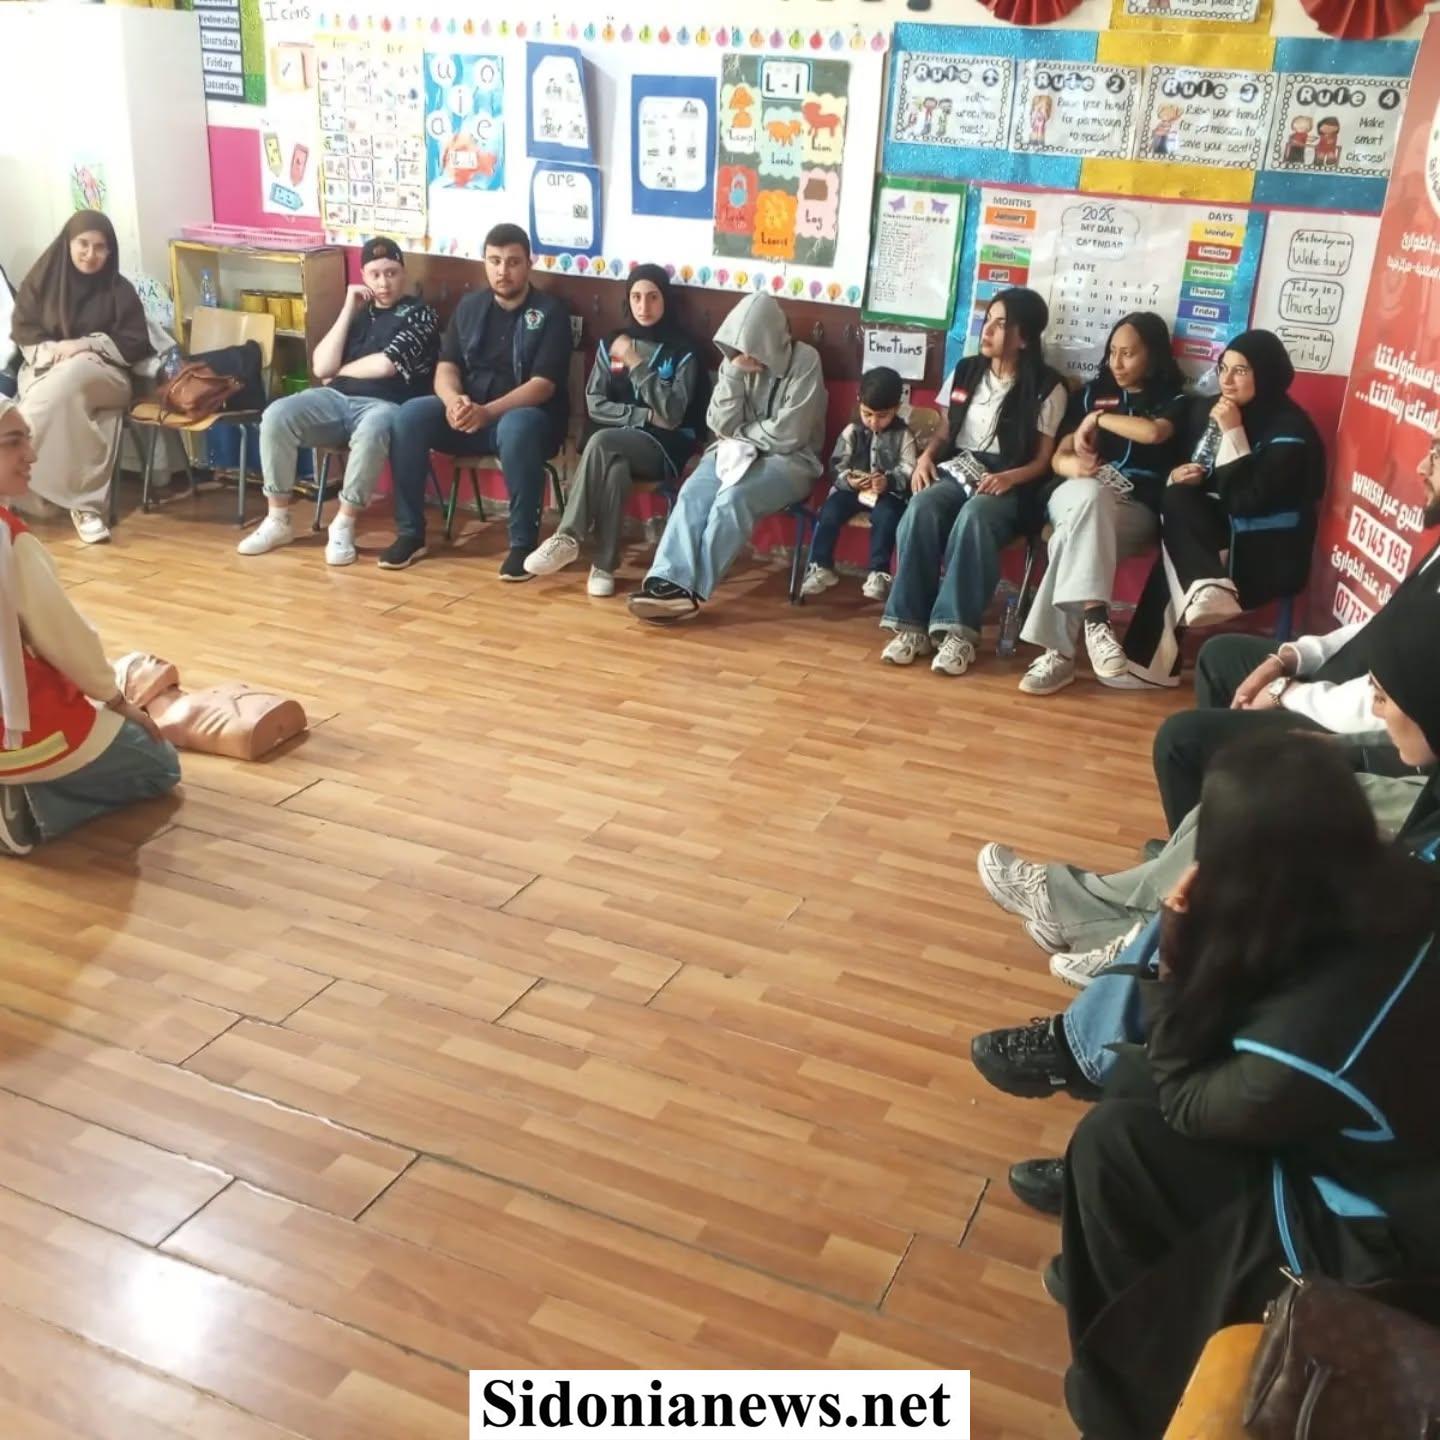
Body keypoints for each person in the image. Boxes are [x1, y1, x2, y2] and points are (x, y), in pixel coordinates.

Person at [971, 592, 1440, 1230]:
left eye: (1385, 696)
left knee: (1243, 843)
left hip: (1365, 1180)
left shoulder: (1329, 1011)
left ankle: (1104, 1039)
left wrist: (1180, 952)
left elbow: (1193, 1097)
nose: (1377, 706)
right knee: (1235, 798)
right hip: (1345, 1035)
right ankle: (1100, 1005)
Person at [1023, 732, 1440, 1440]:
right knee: (1128, 1101)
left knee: (1116, 1141)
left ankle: (1120, 1397)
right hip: (1392, 1144)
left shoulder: (1304, 1047)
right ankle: (1109, 1264)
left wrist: (1174, 948)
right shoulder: (1404, 884)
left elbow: (1187, 1098)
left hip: (1382, 1239)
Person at [0, 399, 180, 855]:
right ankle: (29, 812)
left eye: (28, 439)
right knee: (159, 764)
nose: (31, 455)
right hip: (18, 733)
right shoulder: (12, 543)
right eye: (13, 442)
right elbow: (64, 640)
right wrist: (116, 700)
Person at [1115, 330, 1326, 689]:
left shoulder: (1291, 430)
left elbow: (1246, 500)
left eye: (1240, 371)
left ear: (1266, 374)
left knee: (1180, 547)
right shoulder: (1212, 411)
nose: (1227, 380)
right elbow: (1199, 472)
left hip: (1266, 550)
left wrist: (1233, 434)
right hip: (1219, 538)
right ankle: (1205, 586)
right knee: (1178, 496)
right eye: (1223, 368)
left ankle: (1151, 661)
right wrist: (1183, 476)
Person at [878, 288, 1067, 673]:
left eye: (1001, 324)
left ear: (1024, 338)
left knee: (976, 516)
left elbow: (1043, 461)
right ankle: (911, 626)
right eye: (987, 321)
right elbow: (945, 432)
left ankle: (956, 632)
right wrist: (926, 458)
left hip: (1011, 479)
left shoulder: (1048, 387)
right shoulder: (966, 371)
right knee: (922, 506)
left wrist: (1008, 477)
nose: (988, 331)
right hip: (959, 466)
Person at [381, 223, 572, 578]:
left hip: (526, 420)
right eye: (495, 261)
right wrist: (454, 401)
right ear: (484, 262)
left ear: (529, 263)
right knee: (409, 416)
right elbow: (447, 366)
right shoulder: (470, 306)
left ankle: (522, 544)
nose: (503, 271)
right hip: (471, 413)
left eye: (513, 262)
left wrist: (487, 413)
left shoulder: (550, 312)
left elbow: (543, 385)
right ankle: (410, 534)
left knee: (518, 426)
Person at [238, 237, 439, 566]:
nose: (383, 282)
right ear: (364, 276)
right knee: (276, 414)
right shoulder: (360, 314)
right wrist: (348, 308)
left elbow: (386, 365)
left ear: (403, 273)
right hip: (336, 398)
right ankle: (278, 519)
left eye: (391, 273)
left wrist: (341, 370)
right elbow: (321, 367)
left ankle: (344, 523)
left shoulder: (420, 314)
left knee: (375, 427)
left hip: (387, 403)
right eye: (375, 274)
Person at [626, 291, 825, 623]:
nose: (746, 353)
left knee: (733, 498)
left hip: (791, 462)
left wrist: (741, 432)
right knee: (692, 493)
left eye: (753, 346)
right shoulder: (735, 360)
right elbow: (718, 423)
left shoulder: (805, 360)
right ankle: (666, 580)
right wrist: (733, 374)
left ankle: (687, 591)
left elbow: (790, 433)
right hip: (731, 454)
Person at [1017, 313, 1187, 697]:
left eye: (1129, 353)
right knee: (1091, 497)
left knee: (1069, 540)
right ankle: (1096, 621)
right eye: (1113, 352)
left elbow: (1153, 432)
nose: (1117, 363)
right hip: (1075, 492)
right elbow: (1058, 456)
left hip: (1133, 507)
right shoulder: (1091, 394)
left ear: (1153, 355)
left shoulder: (1174, 400)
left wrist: (1098, 420)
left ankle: (1058, 656)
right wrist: (1074, 467)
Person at [523, 264, 707, 597]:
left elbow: (673, 414)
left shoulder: (684, 350)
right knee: (615, 468)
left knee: (603, 440)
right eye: (636, 297)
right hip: (622, 441)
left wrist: (635, 362)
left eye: (653, 297)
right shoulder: (613, 343)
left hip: (664, 447)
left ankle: (568, 536)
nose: (643, 306)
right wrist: (643, 416)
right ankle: (604, 565)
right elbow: (594, 402)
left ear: (666, 299)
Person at [10, 211, 153, 545]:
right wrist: (58, 353)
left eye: (100, 247)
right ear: (68, 244)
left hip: (108, 377)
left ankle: (14, 459)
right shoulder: (41, 282)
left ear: (110, 250)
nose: (91, 254)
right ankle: (85, 506)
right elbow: (25, 332)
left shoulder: (119, 290)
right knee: (73, 399)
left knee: (75, 373)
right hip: (46, 370)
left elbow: (135, 343)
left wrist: (87, 345)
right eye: (83, 244)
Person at [799, 365, 917, 602]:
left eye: (882, 416)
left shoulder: (904, 435)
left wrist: (888, 481)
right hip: (853, 492)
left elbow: (909, 468)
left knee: (886, 517)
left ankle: (878, 572)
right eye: (867, 414)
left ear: (897, 408)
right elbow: (836, 465)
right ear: (859, 402)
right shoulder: (852, 431)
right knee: (829, 511)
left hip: (889, 495)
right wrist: (849, 480)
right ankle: (821, 566)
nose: (874, 422)